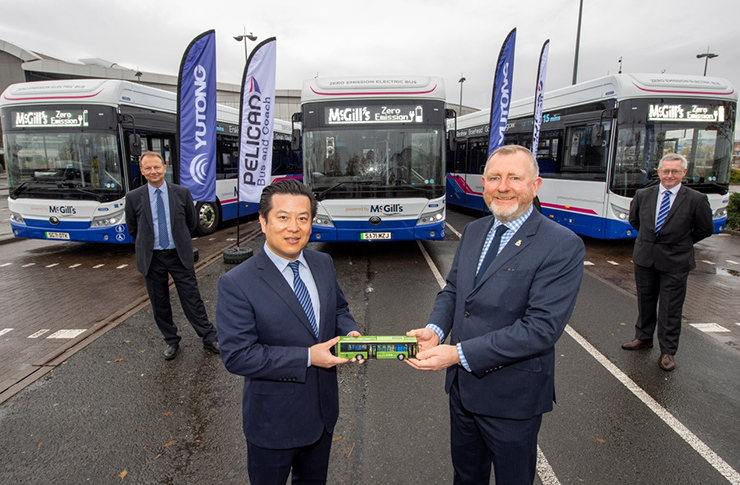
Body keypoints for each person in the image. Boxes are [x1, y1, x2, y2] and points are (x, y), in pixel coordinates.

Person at [406, 145, 585, 485]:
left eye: (514, 178)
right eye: (494, 178)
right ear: (483, 184)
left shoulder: (562, 244)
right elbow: (455, 290)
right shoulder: (475, 231)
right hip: (462, 391)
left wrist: (457, 354)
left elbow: (541, 330)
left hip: (513, 399)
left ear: (535, 185)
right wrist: (435, 328)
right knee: (466, 476)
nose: (503, 187)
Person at [216, 179, 361, 485]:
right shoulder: (237, 283)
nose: (294, 228)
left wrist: (349, 334)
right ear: (263, 221)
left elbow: (338, 310)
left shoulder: (322, 263)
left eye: (303, 218)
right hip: (273, 425)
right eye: (283, 217)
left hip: (322, 417)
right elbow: (238, 356)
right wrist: (308, 357)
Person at [622, 152, 713, 371]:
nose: (669, 175)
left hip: (676, 261)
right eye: (665, 171)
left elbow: (705, 228)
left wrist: (680, 242)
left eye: (675, 171)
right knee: (645, 301)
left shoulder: (695, 199)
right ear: (659, 172)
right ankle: (643, 337)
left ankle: (668, 351)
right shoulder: (643, 195)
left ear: (684, 173)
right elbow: (635, 220)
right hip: (645, 258)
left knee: (671, 308)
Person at [124, 151, 219, 360]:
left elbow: (190, 223)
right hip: (152, 258)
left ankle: (209, 337)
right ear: (142, 171)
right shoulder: (133, 198)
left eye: (156, 167)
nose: (153, 171)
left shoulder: (181, 193)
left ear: (164, 167)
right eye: (147, 168)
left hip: (179, 255)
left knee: (192, 298)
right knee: (160, 303)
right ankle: (171, 340)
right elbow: (133, 228)